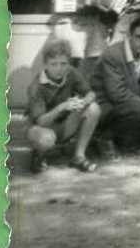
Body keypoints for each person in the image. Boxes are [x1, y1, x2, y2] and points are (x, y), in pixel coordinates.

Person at [91, 16, 140, 156]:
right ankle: (104, 137)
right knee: (136, 108)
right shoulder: (113, 54)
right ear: (129, 36)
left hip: (132, 100)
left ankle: (132, 139)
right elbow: (116, 93)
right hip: (105, 104)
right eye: (139, 37)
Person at [26, 39, 103, 173]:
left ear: (69, 63)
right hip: (41, 129)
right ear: (45, 64)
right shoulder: (36, 86)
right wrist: (62, 107)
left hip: (64, 125)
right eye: (53, 64)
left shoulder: (71, 72)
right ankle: (39, 154)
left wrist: (83, 102)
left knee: (93, 108)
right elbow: (40, 121)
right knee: (46, 139)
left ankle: (78, 156)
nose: (59, 69)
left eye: (63, 64)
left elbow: (90, 93)